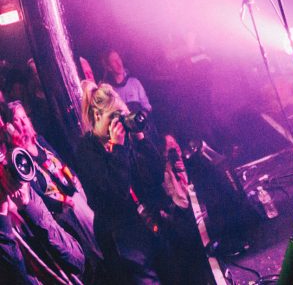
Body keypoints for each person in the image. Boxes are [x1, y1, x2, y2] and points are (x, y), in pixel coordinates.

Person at [73, 81, 208, 284]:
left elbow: (156, 175)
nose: (118, 123)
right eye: (113, 117)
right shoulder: (87, 150)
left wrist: (141, 138)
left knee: (174, 276)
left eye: (122, 115)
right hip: (121, 237)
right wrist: (118, 148)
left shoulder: (126, 139)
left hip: (147, 223)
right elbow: (118, 191)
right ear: (98, 116)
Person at [1, 100, 101, 267]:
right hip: (63, 210)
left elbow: (59, 161)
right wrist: (63, 202)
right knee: (86, 251)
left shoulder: (39, 141)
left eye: (24, 117)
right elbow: (38, 191)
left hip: (74, 194)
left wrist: (74, 178)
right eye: (17, 120)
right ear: (10, 126)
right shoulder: (19, 158)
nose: (23, 123)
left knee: (97, 234)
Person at [0, 140, 86, 284]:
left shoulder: (28, 196)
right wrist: (2, 218)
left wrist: (28, 205)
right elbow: (21, 278)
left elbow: (77, 261)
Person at [100, 49, 152, 114]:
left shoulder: (135, 83)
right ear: (109, 68)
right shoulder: (109, 91)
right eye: (114, 61)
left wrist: (142, 116)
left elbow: (147, 107)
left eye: (118, 58)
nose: (118, 63)